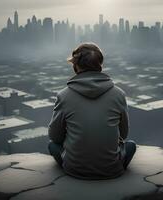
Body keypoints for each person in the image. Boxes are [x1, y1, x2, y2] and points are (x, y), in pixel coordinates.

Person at [48, 43, 136, 180]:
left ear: (76, 65)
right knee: (131, 146)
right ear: (100, 65)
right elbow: (123, 135)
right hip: (112, 170)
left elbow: (54, 137)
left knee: (52, 146)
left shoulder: (63, 95)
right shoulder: (119, 94)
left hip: (74, 170)